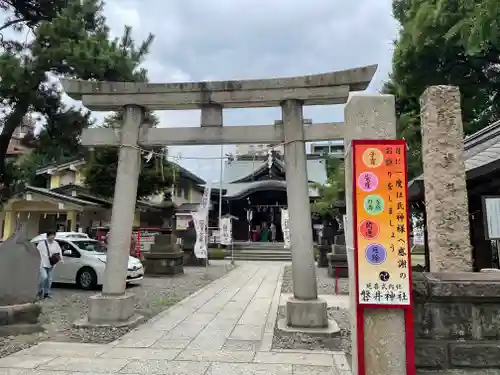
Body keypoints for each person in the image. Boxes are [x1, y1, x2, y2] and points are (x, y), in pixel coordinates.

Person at [37, 230, 63, 299]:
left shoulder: (55, 244)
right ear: (47, 236)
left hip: (51, 264)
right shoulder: (41, 244)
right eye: (51, 235)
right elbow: (36, 253)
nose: (52, 237)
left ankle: (46, 293)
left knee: (49, 280)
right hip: (43, 263)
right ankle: (39, 290)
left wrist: (60, 259)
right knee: (44, 277)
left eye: (54, 235)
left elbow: (59, 252)